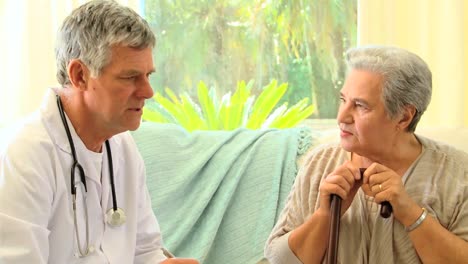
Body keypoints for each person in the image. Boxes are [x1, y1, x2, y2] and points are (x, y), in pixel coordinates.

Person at [0, 1, 198, 263]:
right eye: (130, 77)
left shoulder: (124, 147)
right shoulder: (23, 155)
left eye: (148, 75)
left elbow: (145, 251)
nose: (148, 92)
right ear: (80, 75)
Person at [264, 45, 468, 263]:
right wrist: (325, 215)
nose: (342, 117)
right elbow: (279, 259)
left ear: (403, 117)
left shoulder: (457, 174)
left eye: (360, 106)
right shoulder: (320, 163)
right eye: (343, 100)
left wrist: (410, 213)